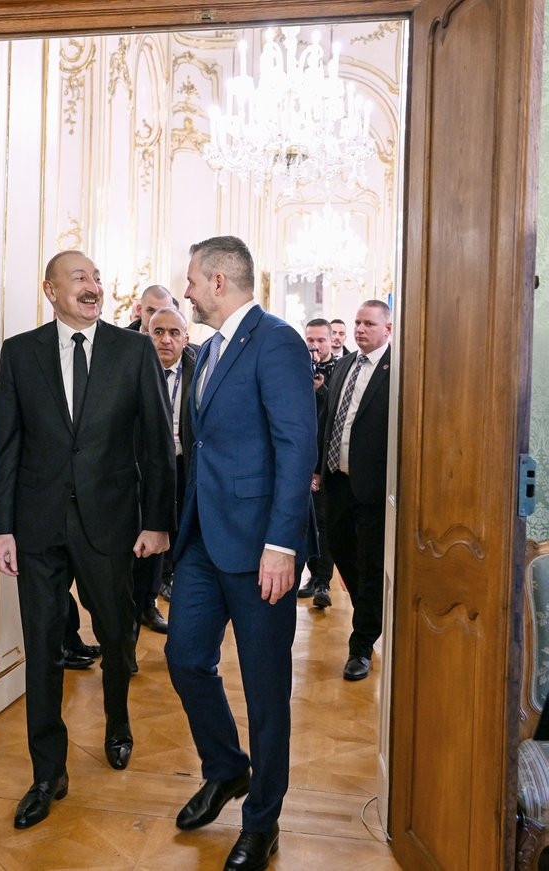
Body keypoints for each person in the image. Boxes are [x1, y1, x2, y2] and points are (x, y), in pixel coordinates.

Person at [0, 249, 175, 829]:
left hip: (111, 523)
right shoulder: (20, 353)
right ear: (51, 290)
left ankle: (118, 721)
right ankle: (48, 772)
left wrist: (157, 522)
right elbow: (5, 447)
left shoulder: (133, 350)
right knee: (43, 645)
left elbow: (157, 443)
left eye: (96, 277)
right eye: (79, 278)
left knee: (116, 633)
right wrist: (2, 528)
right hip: (38, 526)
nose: (93, 286)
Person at [166, 236, 316, 871]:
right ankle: (227, 767)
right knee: (184, 657)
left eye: (192, 281)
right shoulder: (207, 350)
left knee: (265, 689)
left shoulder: (276, 342)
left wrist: (282, 545)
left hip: (260, 548)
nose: (187, 292)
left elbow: (296, 447)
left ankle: (262, 821)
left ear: (219, 281)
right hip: (204, 540)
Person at [317, 301, 393, 681]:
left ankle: (361, 645)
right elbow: (328, 419)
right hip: (337, 481)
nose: (361, 329)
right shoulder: (345, 365)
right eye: (357, 323)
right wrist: (316, 467)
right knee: (339, 549)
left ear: (387, 329)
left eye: (369, 324)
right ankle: (368, 608)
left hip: (374, 488)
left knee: (371, 565)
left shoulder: (397, 369)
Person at [133, 306, 197, 634]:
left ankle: (182, 609)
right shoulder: (133, 368)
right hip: (142, 470)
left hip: (186, 469)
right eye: (158, 332)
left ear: (186, 338)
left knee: (184, 541)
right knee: (146, 539)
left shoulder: (200, 371)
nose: (166, 340)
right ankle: (143, 604)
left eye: (174, 333)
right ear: (147, 335)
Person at [298, 318, 337, 608]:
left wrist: (321, 390)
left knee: (323, 522)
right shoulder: (296, 367)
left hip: (325, 462)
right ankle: (309, 576)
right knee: (302, 520)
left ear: (331, 341)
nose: (315, 345)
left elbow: (338, 415)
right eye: (310, 340)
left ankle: (323, 581)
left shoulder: (342, 368)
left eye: (321, 340)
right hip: (299, 457)